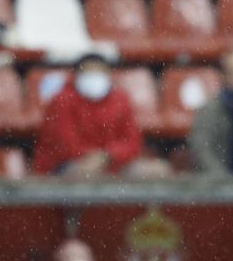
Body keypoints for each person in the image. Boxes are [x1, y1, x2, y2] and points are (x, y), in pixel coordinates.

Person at [31, 56, 165, 178]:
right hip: (65, 166)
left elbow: (132, 142)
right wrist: (94, 158)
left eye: (99, 73)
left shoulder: (120, 100)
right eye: (88, 73)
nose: (94, 79)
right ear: (77, 76)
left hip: (113, 163)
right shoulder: (62, 101)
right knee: (86, 173)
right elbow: (66, 145)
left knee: (157, 170)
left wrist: (107, 156)